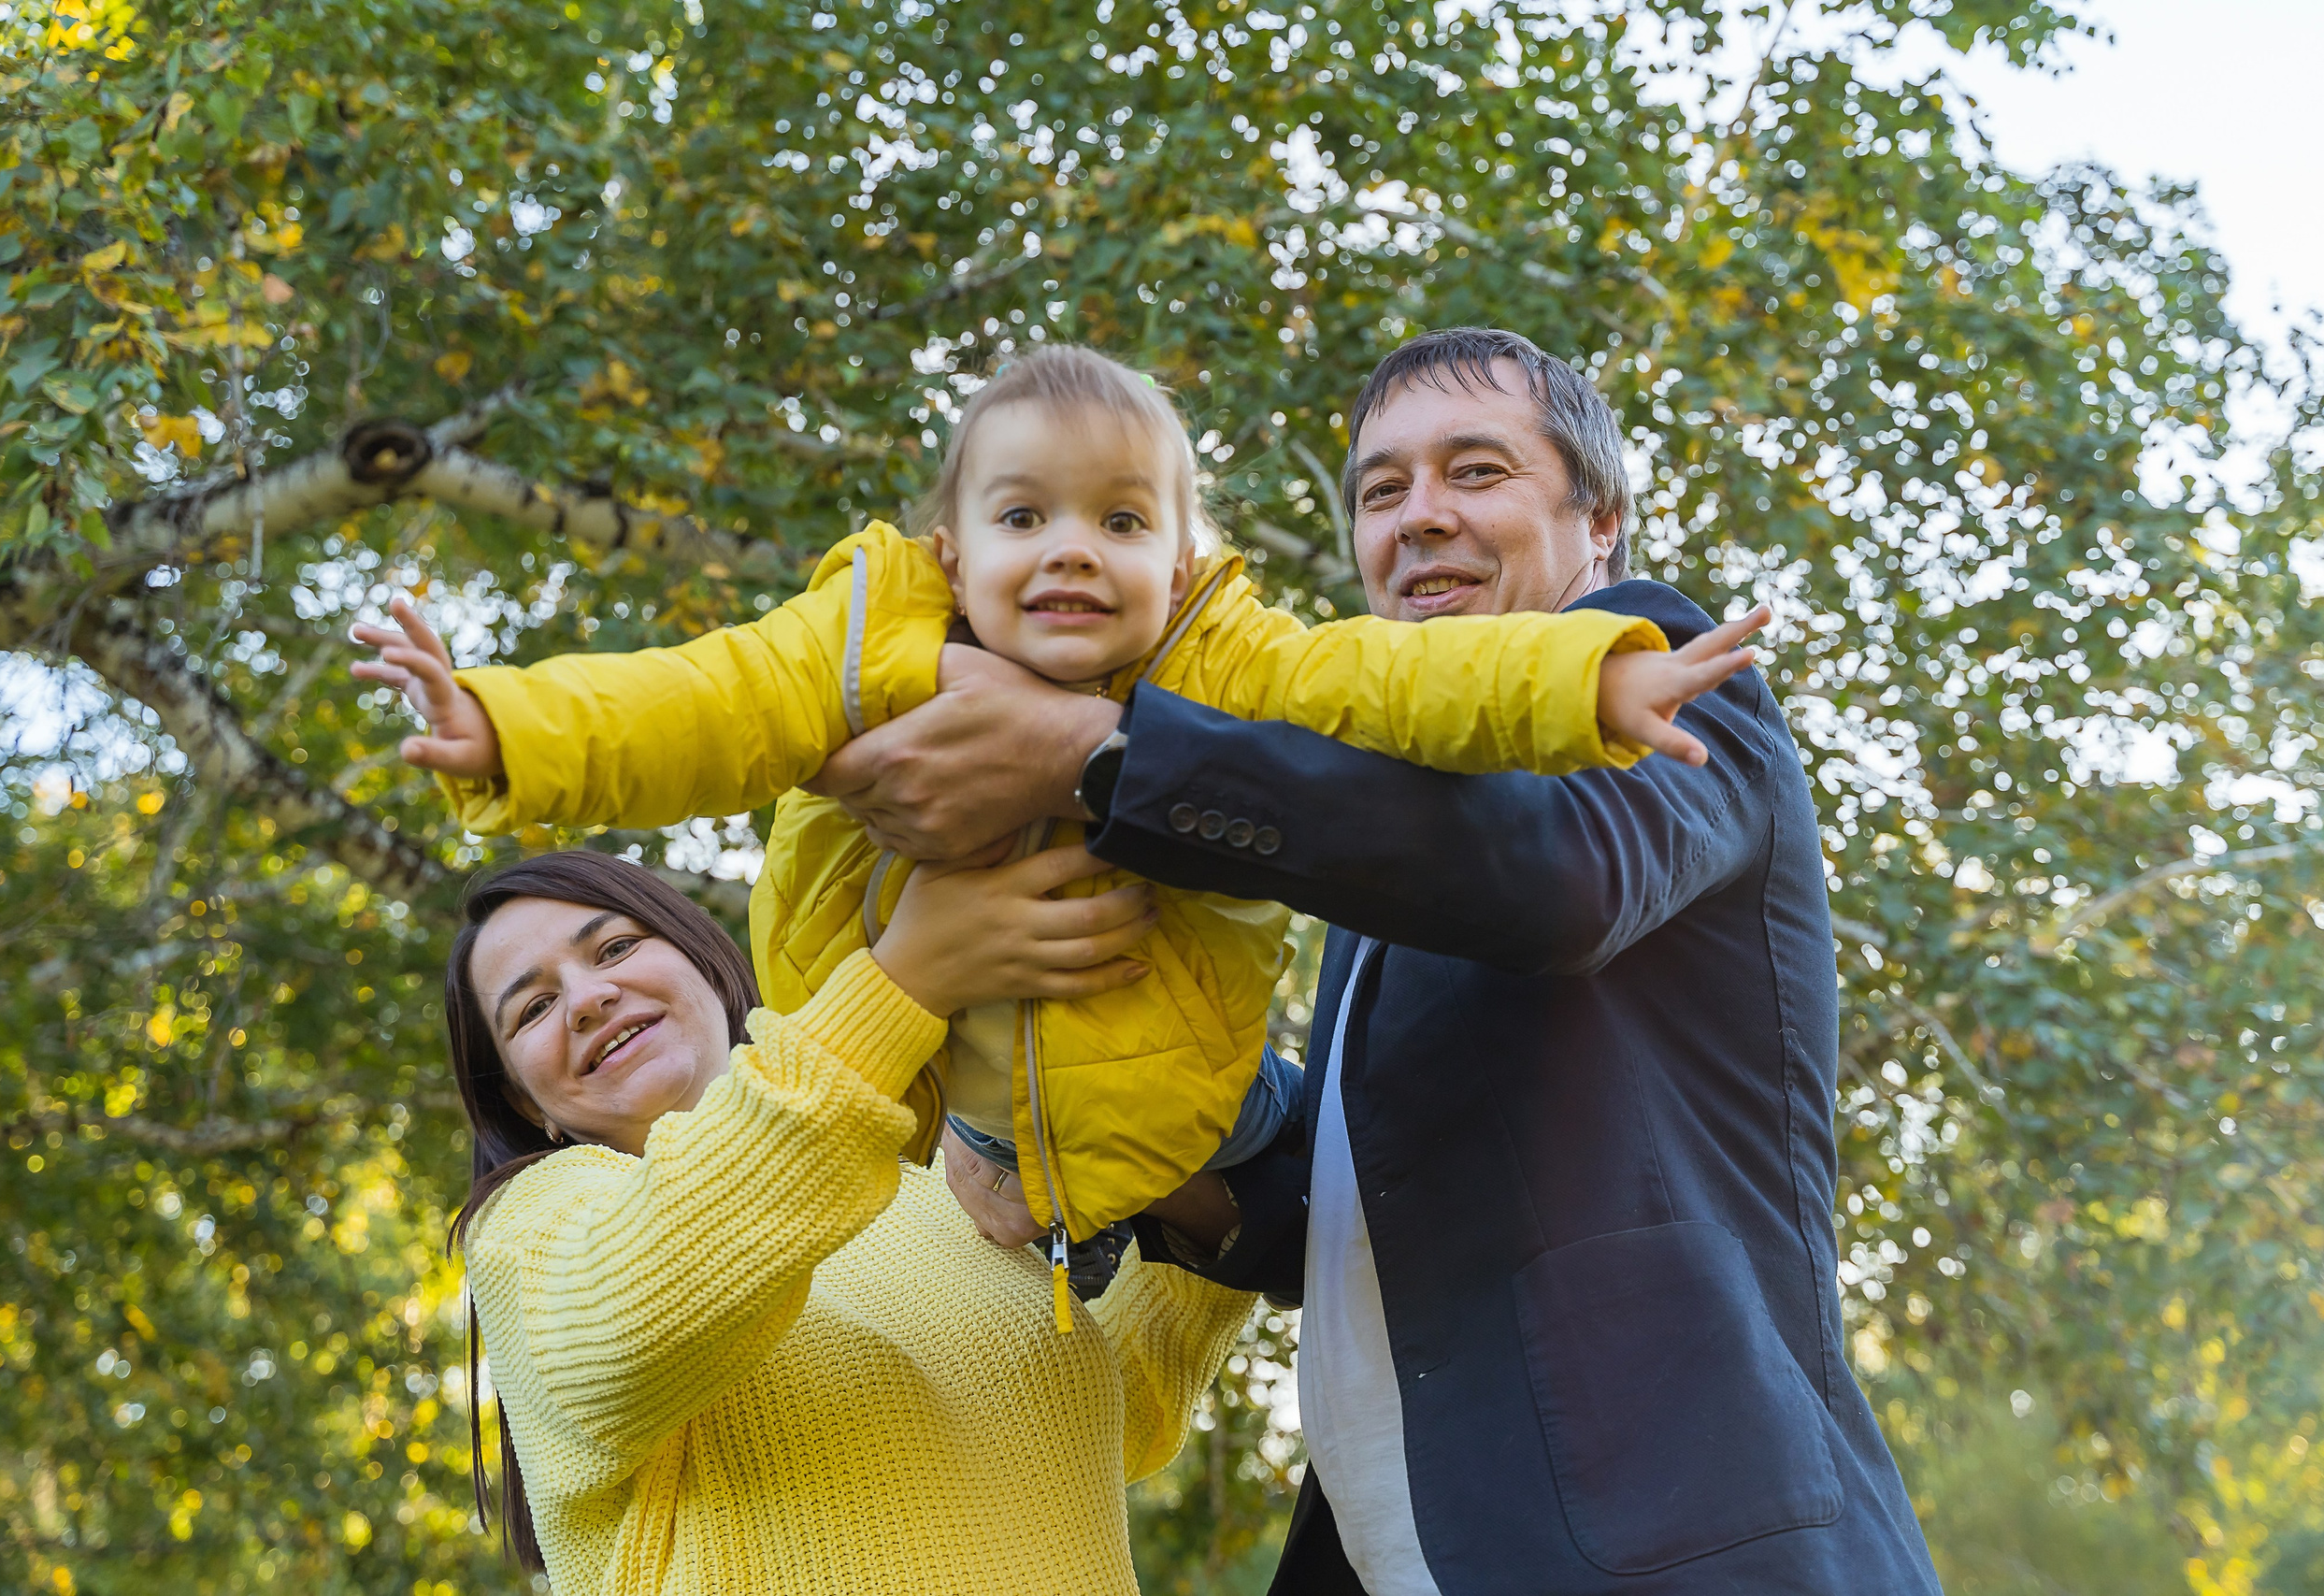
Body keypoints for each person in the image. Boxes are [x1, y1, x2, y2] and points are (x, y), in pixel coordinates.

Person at [810, 328, 1944, 1593]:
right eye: (1382, 489)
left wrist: (1102, 749)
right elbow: (1357, 1193)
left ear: (1601, 520)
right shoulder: (1395, 827)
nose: (1420, 517)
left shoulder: (1658, 672)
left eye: (1476, 471)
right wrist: (1073, 1114)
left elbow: (1556, 878)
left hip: (1677, 1544)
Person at [354, 344, 1763, 1315]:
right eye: (1383, 486)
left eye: (1478, 470)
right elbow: (696, 697)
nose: (1072, 549)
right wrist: (508, 726)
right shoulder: (863, 644)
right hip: (961, 1095)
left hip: (1608, 1493)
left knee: (1258, 1106)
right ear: (952, 549)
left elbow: (1445, 742)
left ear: (1182, 561)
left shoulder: (1277, 680)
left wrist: (1596, 673)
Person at [440, 845, 1254, 1595]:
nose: (587, 998)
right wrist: (905, 978)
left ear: (701, 958)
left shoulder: (941, 1183)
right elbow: (642, 1303)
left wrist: (1193, 1167)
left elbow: (1103, 1422)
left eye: (614, 948)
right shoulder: (530, 1228)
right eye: (534, 1008)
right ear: (522, 1099)